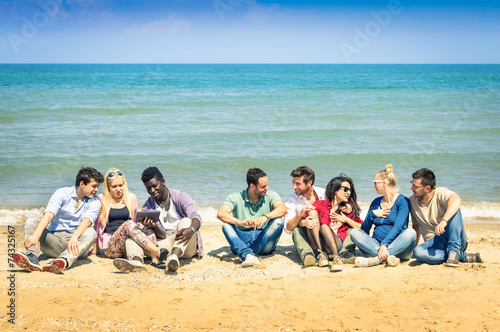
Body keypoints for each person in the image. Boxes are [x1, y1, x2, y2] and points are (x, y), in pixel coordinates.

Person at [13, 167, 104, 273]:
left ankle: (63, 260)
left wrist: (75, 236)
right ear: (82, 184)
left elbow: (87, 221)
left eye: (98, 186)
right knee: (31, 221)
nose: (97, 190)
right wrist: (35, 236)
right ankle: (31, 256)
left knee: (91, 232)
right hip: (54, 243)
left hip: (76, 247)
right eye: (94, 186)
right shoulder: (62, 193)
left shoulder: (95, 201)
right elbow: (49, 214)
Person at [93, 168, 167, 273]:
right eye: (114, 186)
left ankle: (155, 259)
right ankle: (157, 251)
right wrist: (95, 249)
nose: (118, 189)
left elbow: (135, 222)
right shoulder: (101, 199)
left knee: (146, 226)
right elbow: (97, 224)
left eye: (121, 185)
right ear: (108, 187)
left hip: (128, 243)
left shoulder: (131, 198)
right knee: (128, 224)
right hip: (111, 247)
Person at [131, 166, 203, 272]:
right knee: (133, 237)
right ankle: (136, 262)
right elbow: (162, 235)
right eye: (148, 188)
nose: (152, 191)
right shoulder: (148, 206)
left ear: (163, 181)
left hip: (185, 242)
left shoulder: (180, 196)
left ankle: (174, 257)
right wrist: (153, 227)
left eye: (155, 186)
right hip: (166, 244)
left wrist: (191, 230)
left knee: (186, 221)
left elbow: (196, 217)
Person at [410, 168, 483, 267]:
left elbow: (456, 199)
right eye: (412, 184)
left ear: (427, 188)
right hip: (433, 245)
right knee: (418, 252)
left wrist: (444, 221)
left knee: (454, 208)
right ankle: (462, 257)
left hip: (454, 238)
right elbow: (416, 226)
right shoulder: (412, 201)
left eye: (415, 186)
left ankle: (454, 251)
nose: (411, 188)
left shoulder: (440, 193)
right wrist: (414, 248)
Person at [217, 168, 286, 267]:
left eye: (267, 184)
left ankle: (246, 254)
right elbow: (221, 213)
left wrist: (266, 217)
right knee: (226, 225)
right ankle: (248, 254)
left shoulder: (271, 195)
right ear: (252, 186)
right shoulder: (236, 197)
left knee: (278, 221)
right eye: (263, 186)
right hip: (242, 238)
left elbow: (283, 209)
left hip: (264, 240)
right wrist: (239, 222)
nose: (267, 188)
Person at [351, 165, 416, 267]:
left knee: (410, 233)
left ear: (384, 183)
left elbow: (398, 227)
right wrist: (372, 214)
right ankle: (387, 257)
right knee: (354, 232)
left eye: (375, 183)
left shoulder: (402, 200)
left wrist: (384, 244)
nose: (374, 186)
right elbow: (364, 230)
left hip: (400, 249)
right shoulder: (376, 202)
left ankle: (377, 259)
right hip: (376, 247)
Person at [307, 175, 363, 272]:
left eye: (350, 190)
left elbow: (363, 227)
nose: (348, 192)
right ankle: (321, 254)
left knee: (324, 227)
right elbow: (301, 221)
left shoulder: (347, 210)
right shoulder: (321, 204)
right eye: (345, 189)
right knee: (311, 212)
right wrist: (304, 222)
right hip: (317, 242)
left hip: (334, 245)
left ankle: (336, 258)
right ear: (335, 189)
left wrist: (345, 219)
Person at [284, 166, 326, 266]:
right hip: (307, 237)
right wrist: (301, 215)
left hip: (324, 235)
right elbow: (288, 228)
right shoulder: (292, 199)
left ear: (309, 182)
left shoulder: (324, 193)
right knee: (295, 230)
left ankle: (321, 251)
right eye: (293, 183)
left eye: (298, 183)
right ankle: (308, 255)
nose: (294, 187)